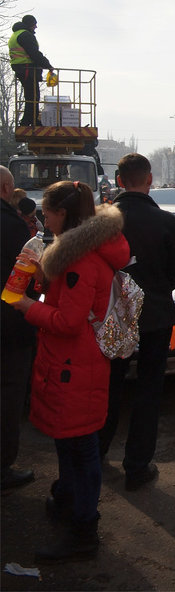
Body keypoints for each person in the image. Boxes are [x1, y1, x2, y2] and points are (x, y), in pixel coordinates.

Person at [9, 180, 130, 562]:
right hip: (71, 364)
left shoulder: (80, 259)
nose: (43, 220)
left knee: (81, 448)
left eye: (47, 213)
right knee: (73, 444)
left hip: (76, 366)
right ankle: (68, 503)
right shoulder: (75, 252)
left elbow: (70, 320)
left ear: (64, 215)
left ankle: (83, 528)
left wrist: (29, 306)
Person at [98, 153, 175, 490]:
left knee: (106, 387)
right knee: (149, 390)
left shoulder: (100, 221)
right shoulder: (167, 222)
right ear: (149, 180)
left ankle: (97, 451)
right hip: (154, 314)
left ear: (119, 181)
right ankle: (137, 466)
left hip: (109, 316)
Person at [0, 167, 37, 492]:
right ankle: (2, 468)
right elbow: (21, 282)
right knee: (8, 395)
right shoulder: (13, 227)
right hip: (8, 329)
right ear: (7, 189)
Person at [8, 15, 54, 127]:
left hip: (20, 67)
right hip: (27, 68)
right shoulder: (26, 35)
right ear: (29, 24)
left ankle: (30, 119)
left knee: (31, 95)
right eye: (34, 24)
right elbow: (34, 54)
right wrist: (48, 65)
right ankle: (29, 121)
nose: (36, 26)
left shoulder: (16, 34)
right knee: (33, 96)